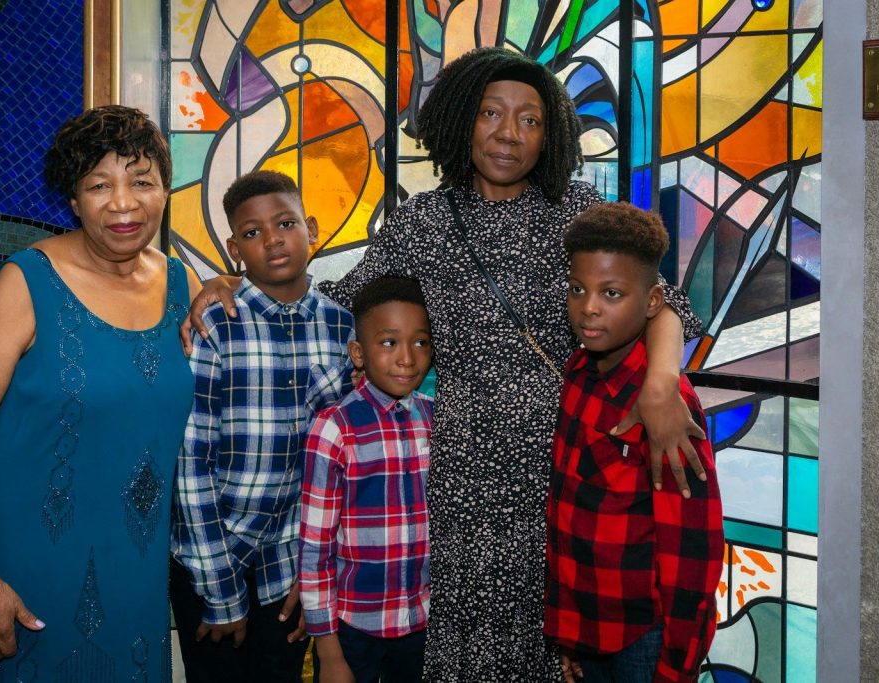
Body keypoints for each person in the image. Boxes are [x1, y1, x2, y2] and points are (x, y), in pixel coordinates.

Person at [186, 47, 706, 681]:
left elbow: (667, 305)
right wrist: (228, 282)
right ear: (463, 120)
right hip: (457, 474)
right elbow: (341, 307)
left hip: (562, 472)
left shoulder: (574, 212)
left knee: (552, 652)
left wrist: (658, 387)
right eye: (490, 113)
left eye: (530, 120)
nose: (508, 133)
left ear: (552, 135)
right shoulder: (425, 222)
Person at [0, 105, 199, 680]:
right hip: (26, 576)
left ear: (164, 188)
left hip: (137, 573)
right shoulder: (25, 282)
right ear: (74, 200)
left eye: (142, 182)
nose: (124, 203)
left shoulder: (183, 283)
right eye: (99, 185)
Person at [170, 170, 355, 682]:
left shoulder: (343, 326)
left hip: (291, 561)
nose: (272, 239)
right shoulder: (216, 325)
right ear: (234, 248)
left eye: (286, 223)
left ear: (311, 230)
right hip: (211, 554)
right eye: (252, 233)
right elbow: (190, 459)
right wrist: (220, 590)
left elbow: (340, 462)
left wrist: (314, 572)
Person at [545, 202, 724, 683]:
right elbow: (569, 520)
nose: (589, 307)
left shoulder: (667, 404)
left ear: (650, 302)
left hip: (643, 640)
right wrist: (570, 632)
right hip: (587, 629)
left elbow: (693, 550)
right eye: (578, 289)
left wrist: (676, 666)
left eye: (612, 293)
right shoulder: (577, 375)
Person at [300, 277, 434, 683]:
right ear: (358, 353)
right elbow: (314, 552)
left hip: (422, 623)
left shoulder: (435, 419)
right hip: (355, 627)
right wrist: (329, 649)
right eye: (389, 342)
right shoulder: (334, 429)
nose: (407, 358)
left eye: (421, 342)